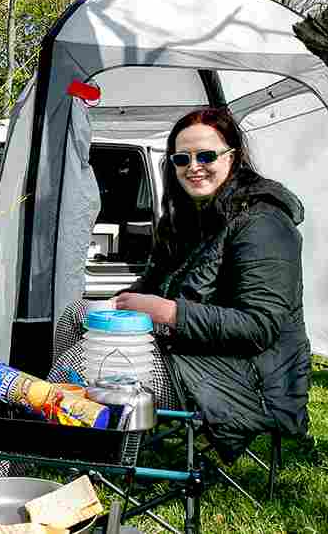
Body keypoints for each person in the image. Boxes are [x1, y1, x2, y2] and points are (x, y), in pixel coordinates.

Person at [49, 107, 311, 463]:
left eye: (206, 156)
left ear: (234, 156)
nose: (194, 166)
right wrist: (115, 308)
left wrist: (168, 312)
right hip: (188, 349)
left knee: (87, 361)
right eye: (181, 158)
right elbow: (149, 286)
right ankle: (79, 435)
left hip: (249, 379)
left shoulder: (265, 225)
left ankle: (27, 452)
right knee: (77, 315)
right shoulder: (188, 216)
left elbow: (259, 327)